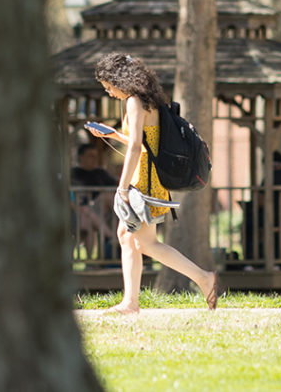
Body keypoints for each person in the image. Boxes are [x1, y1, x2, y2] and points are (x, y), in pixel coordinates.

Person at [87, 52, 217, 313]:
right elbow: (148, 143)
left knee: (146, 243)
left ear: (119, 80)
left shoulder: (134, 102)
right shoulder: (150, 101)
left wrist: (122, 188)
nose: (110, 93)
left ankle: (204, 277)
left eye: (109, 87)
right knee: (127, 236)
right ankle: (130, 302)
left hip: (144, 180)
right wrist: (113, 134)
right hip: (151, 177)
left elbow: (136, 148)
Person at [70, 142, 118, 258]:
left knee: (106, 196)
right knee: (87, 219)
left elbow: (117, 185)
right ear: (81, 157)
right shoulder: (73, 174)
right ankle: (113, 237)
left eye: (96, 156)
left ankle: (119, 228)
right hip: (77, 213)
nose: (95, 159)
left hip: (100, 211)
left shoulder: (100, 173)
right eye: (91, 156)